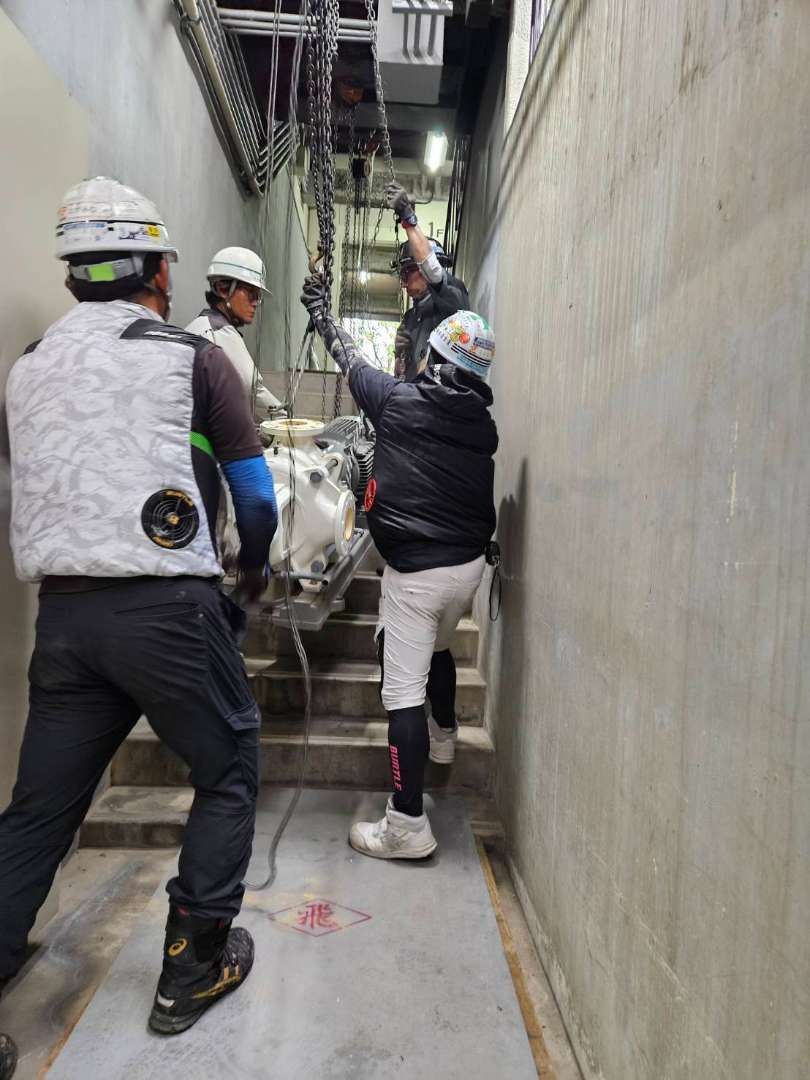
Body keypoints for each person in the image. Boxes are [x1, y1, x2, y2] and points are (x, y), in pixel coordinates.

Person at [0, 177, 278, 1036]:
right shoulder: (192, 358)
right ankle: (191, 969)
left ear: (74, 274)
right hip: (167, 614)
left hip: (65, 622)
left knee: (40, 809)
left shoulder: (28, 368)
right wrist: (251, 573)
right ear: (157, 270)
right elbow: (256, 498)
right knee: (228, 768)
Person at [301, 275, 497, 859]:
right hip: (467, 569)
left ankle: (406, 823)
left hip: (417, 577)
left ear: (437, 361)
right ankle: (444, 737)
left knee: (402, 692)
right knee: (439, 648)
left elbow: (351, 359)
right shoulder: (482, 425)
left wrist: (322, 315)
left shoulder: (398, 401)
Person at [385, 181, 470, 382]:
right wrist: (400, 358)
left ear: (422, 270)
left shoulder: (452, 300)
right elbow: (402, 376)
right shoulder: (410, 318)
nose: (403, 283)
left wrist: (408, 218)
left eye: (407, 273)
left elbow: (432, 269)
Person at [186, 246, 283, 421]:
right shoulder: (219, 332)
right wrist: (287, 421)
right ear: (223, 289)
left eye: (258, 297)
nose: (255, 303)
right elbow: (252, 389)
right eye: (251, 294)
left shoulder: (198, 326)